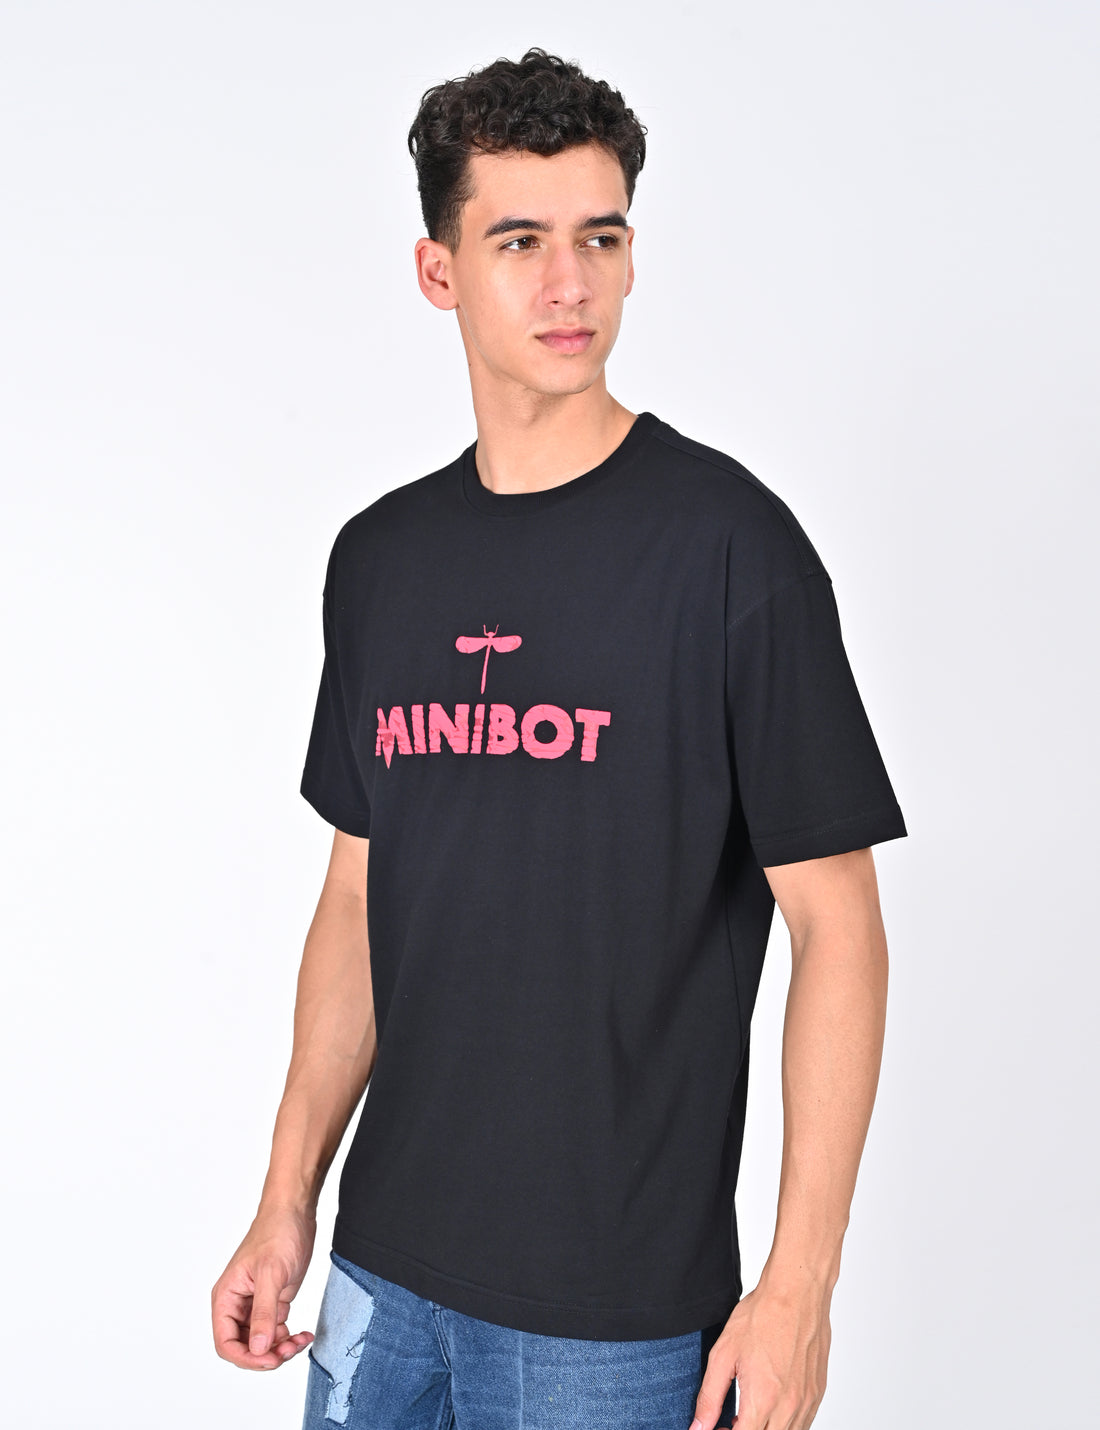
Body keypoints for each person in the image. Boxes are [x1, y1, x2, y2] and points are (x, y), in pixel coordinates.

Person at [210, 46, 907, 1430]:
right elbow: (356, 896)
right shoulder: (381, 560)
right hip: (378, 1281)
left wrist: (799, 1287)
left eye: (600, 237)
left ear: (633, 258)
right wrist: (287, 1197)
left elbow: (840, 928)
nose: (569, 283)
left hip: (614, 1318)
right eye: (519, 240)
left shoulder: (731, 550)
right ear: (439, 271)